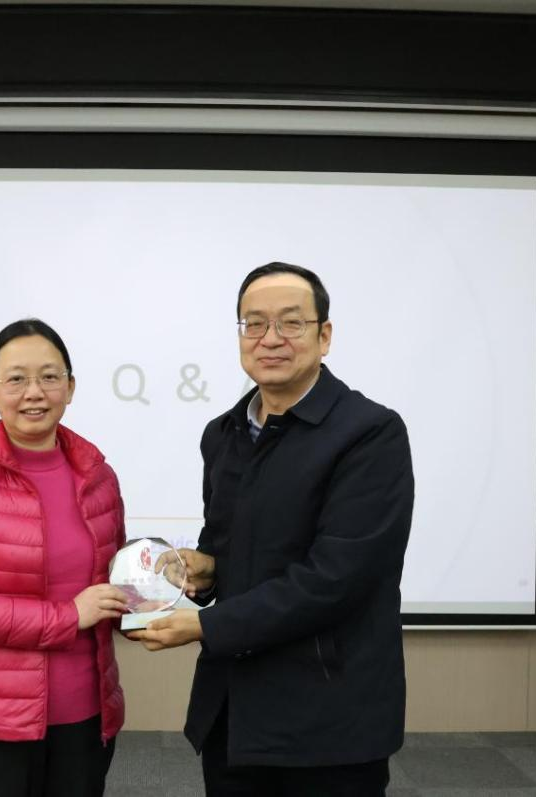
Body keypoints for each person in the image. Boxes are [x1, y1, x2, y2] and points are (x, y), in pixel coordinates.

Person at [131, 262, 415, 796]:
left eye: (291, 322)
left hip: (329, 717)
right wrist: (205, 569)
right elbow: (226, 544)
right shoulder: (223, 433)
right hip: (235, 710)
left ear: (324, 336)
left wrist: (206, 626)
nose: (271, 338)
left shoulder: (369, 434)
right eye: (255, 323)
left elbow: (337, 578)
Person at [0, 319, 129, 797]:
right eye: (16, 379)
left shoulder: (99, 477)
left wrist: (157, 592)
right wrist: (68, 616)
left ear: (70, 387)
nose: (35, 392)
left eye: (50, 377)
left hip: (86, 718)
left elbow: (111, 587)